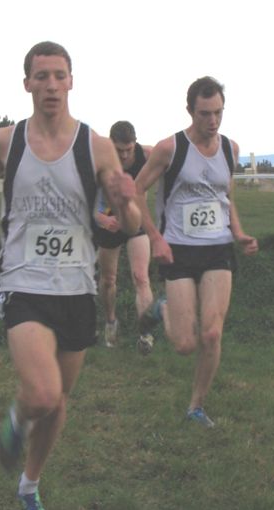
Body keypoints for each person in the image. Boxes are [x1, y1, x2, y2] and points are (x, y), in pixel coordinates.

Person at [0, 41, 141, 510]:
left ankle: (30, 485)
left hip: (77, 286)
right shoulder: (6, 141)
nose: (50, 85)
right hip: (22, 279)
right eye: (41, 76)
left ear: (71, 82)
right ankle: (17, 419)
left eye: (59, 76)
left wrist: (126, 201)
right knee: (42, 394)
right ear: (27, 83)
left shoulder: (97, 146)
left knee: (59, 401)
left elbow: (129, 224)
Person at [134, 76, 258, 428]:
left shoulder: (230, 149)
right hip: (178, 249)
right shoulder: (170, 148)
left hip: (218, 249)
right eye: (205, 114)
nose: (213, 120)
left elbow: (226, 197)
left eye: (218, 112)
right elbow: (137, 191)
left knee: (212, 333)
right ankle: (161, 308)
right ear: (190, 111)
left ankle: (196, 407)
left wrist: (238, 233)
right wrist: (155, 237)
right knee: (185, 344)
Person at [94, 120, 155, 353]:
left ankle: (146, 335)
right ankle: (110, 320)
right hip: (108, 222)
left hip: (135, 221)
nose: (124, 155)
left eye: (128, 149)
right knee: (109, 280)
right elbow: (82, 200)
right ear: (110, 144)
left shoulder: (146, 155)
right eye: (119, 150)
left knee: (141, 277)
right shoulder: (98, 160)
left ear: (135, 143)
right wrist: (102, 220)